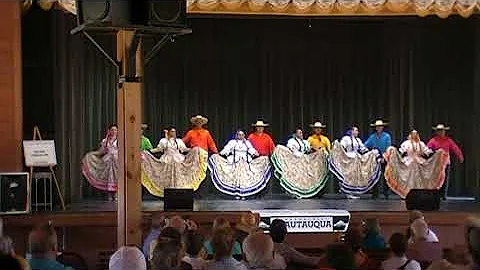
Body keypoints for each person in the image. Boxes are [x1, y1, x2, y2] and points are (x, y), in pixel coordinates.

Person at [141, 126, 208, 197]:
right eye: (172, 131)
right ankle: (169, 194)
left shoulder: (179, 141)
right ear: (169, 132)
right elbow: (158, 149)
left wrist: (194, 149)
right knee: (168, 178)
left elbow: (184, 149)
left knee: (178, 177)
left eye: (174, 131)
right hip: (167, 160)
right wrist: (147, 152)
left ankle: (179, 194)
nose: (174, 133)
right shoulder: (164, 141)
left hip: (178, 159)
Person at [384, 130, 449, 198]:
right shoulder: (406, 143)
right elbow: (401, 151)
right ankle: (407, 193)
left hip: (419, 162)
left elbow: (427, 151)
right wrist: (394, 153)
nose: (414, 135)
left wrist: (437, 153)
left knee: (420, 177)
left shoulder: (421, 144)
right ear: (410, 135)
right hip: (409, 162)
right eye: (413, 134)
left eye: (416, 134)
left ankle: (419, 193)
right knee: (407, 177)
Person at [208, 130, 271, 198]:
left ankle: (243, 194)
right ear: (236, 135)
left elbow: (251, 150)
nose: (241, 136)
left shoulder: (247, 143)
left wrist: (255, 153)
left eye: (242, 135)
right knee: (236, 179)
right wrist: (221, 153)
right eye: (239, 135)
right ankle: (237, 194)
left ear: (244, 135)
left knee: (244, 179)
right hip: (235, 163)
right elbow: (226, 149)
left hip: (245, 163)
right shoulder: (232, 142)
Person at [271, 127, 329, 198]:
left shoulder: (305, 142)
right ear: (295, 134)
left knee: (307, 177)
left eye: (301, 132)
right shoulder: (292, 141)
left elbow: (309, 150)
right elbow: (291, 150)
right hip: (296, 161)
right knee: (296, 178)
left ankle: (310, 193)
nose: (301, 134)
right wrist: (297, 155)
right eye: (299, 132)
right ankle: (295, 193)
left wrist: (318, 151)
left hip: (305, 161)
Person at [329, 125, 381, 199]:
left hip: (356, 160)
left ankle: (353, 192)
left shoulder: (358, 140)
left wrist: (371, 153)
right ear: (352, 131)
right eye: (356, 130)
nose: (357, 132)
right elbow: (342, 147)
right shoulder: (346, 138)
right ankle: (348, 193)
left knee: (355, 177)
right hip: (348, 159)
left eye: (357, 131)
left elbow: (363, 149)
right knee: (349, 177)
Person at [427, 124, 464, 200]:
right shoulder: (433, 140)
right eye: (439, 131)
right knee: (436, 178)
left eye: (442, 131)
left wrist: (460, 156)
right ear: (437, 132)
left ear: (444, 132)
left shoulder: (448, 140)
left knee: (444, 178)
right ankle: (436, 194)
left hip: (445, 162)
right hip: (436, 162)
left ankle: (443, 194)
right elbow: (427, 149)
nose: (441, 132)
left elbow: (455, 148)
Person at [81, 124, 118, 200]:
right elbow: (101, 151)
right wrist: (91, 154)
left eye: (115, 130)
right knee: (108, 177)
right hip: (107, 161)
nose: (114, 131)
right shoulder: (105, 141)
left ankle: (117, 193)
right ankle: (109, 194)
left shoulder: (120, 140)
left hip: (117, 161)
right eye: (112, 130)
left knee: (117, 177)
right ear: (109, 131)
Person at [364, 120, 392, 199]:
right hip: (375, 158)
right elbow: (365, 145)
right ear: (375, 128)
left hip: (384, 158)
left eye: (380, 126)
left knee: (385, 176)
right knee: (374, 176)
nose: (379, 128)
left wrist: (384, 157)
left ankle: (386, 193)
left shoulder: (387, 136)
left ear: (382, 127)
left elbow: (388, 147)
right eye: (377, 127)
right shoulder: (372, 137)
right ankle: (375, 193)